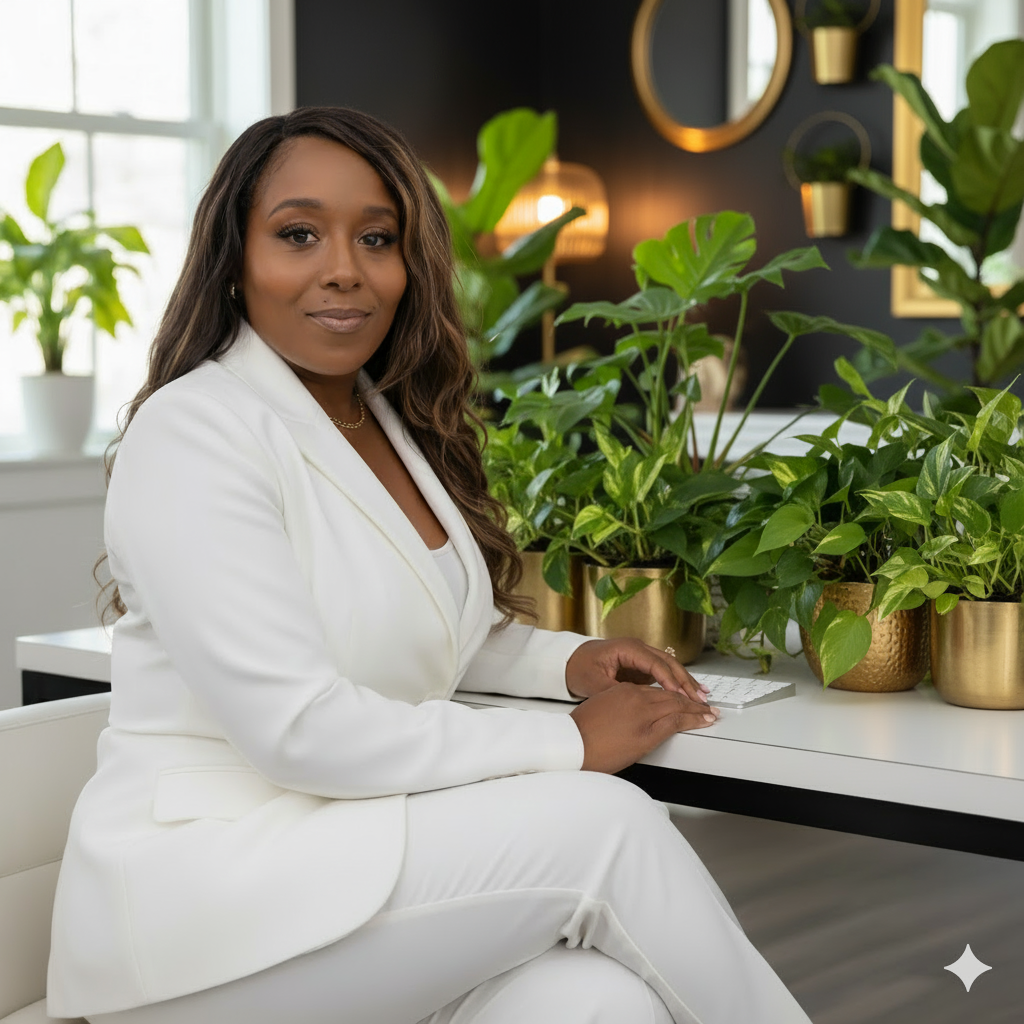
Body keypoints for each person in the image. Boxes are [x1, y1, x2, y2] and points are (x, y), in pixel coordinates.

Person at [47, 107, 812, 1024]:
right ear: (234, 259)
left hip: (353, 864)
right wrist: (568, 741)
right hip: (208, 908)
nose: (344, 268)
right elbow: (301, 729)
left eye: (377, 238)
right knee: (603, 824)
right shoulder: (193, 431)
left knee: (591, 1001)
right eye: (298, 235)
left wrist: (568, 663)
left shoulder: (381, 420)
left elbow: (413, 626)